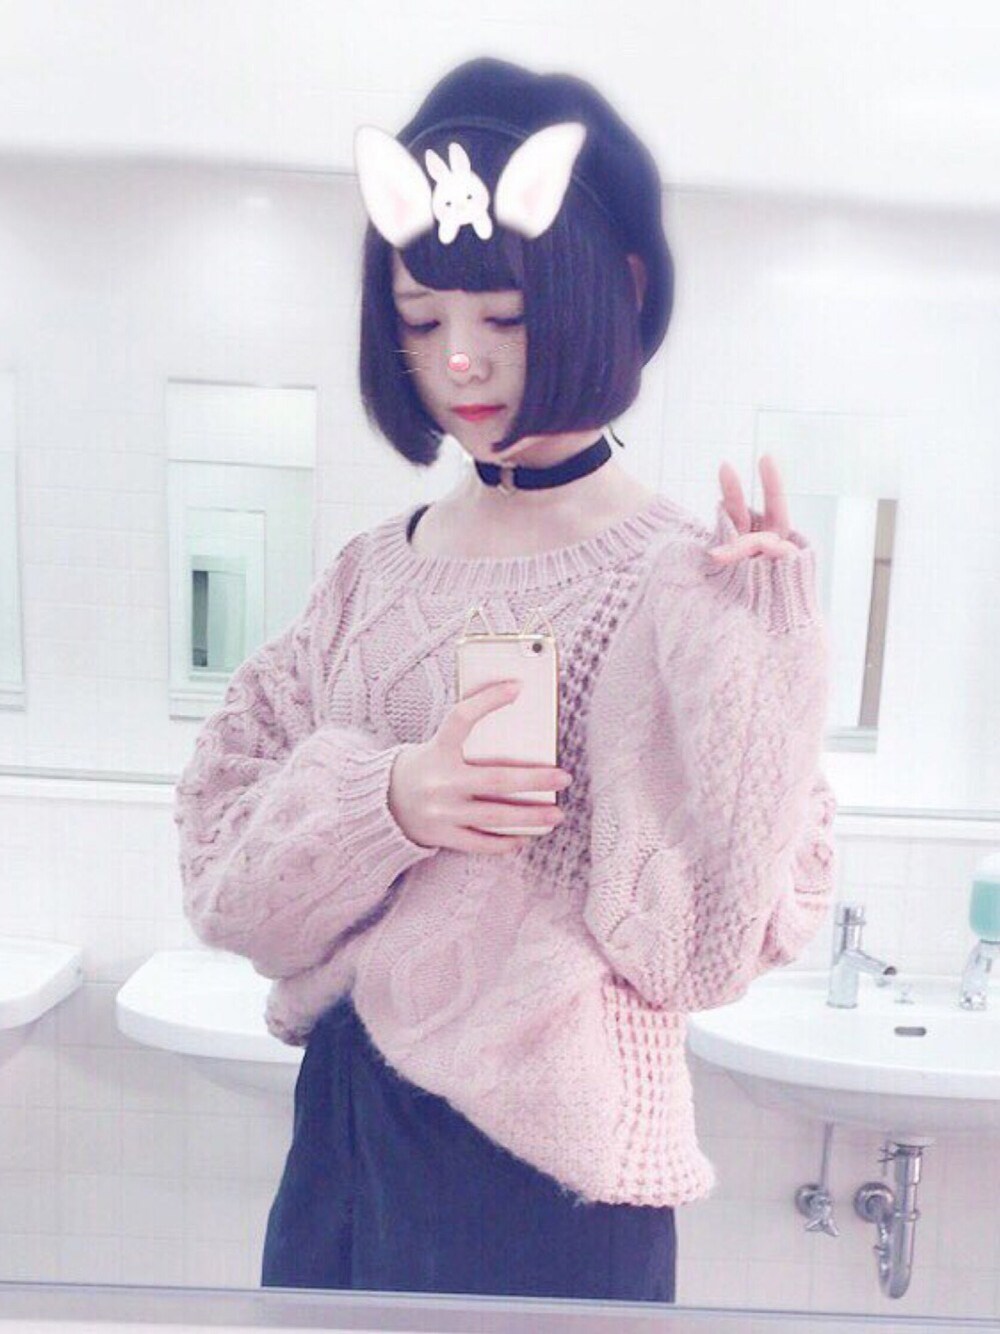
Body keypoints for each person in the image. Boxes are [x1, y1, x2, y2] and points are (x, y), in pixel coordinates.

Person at [173, 57, 838, 1303]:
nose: (462, 363)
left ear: (612, 291)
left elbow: (699, 953)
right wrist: (389, 800)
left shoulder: (680, 584)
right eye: (422, 321)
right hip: (344, 1137)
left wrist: (763, 666)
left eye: (505, 317)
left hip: (551, 1185)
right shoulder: (369, 574)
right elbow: (224, 876)